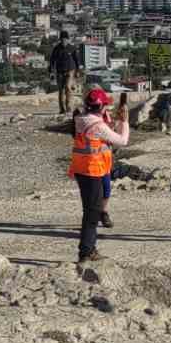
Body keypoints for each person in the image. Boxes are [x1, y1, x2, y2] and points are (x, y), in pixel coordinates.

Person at [68, 87, 129, 263]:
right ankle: (86, 252)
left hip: (81, 169)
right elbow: (122, 140)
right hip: (92, 171)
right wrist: (124, 121)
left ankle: (88, 249)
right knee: (92, 213)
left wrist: (111, 119)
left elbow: (103, 134)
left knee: (90, 211)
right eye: (105, 106)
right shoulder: (97, 126)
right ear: (101, 107)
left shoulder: (80, 119)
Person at [49, 31, 82, 114]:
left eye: (65, 39)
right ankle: (62, 109)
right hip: (59, 72)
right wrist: (51, 72)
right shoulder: (56, 49)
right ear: (60, 39)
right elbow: (52, 61)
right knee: (61, 90)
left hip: (70, 70)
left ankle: (69, 107)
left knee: (68, 87)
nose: (64, 41)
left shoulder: (72, 48)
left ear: (68, 39)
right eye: (62, 39)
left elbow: (77, 60)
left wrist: (78, 71)